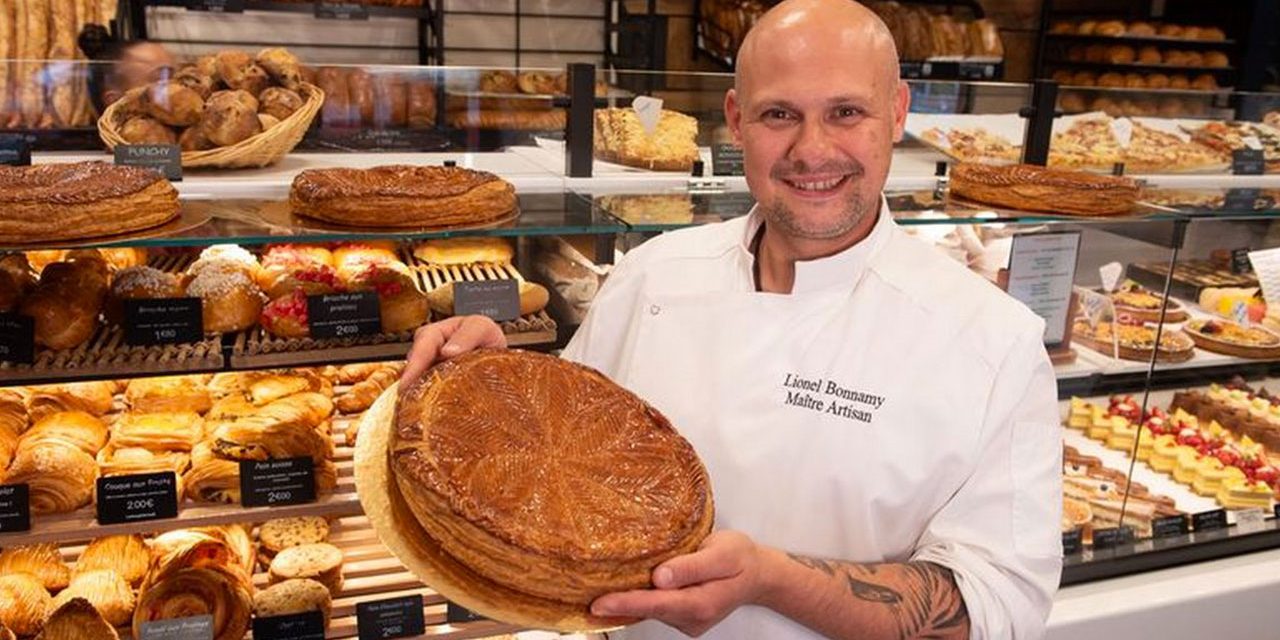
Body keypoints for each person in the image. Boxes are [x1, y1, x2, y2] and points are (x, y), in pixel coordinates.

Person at [401, 1, 1062, 638]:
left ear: (896, 113)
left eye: (845, 112)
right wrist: (495, 376)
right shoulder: (654, 273)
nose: (812, 150)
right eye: (779, 114)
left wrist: (773, 581)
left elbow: (998, 609)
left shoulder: (992, 341)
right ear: (736, 121)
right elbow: (565, 450)